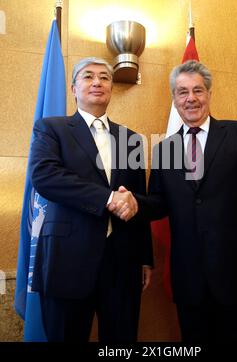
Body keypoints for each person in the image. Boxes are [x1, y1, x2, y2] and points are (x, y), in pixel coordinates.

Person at [133, 60, 237, 343]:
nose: (191, 98)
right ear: (175, 100)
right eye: (182, 92)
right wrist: (133, 202)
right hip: (188, 276)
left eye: (198, 91)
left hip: (235, 270)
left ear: (209, 94)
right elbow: (158, 203)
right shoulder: (165, 149)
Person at [29, 57, 153, 342]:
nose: (97, 82)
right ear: (73, 88)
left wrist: (145, 258)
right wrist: (107, 198)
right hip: (66, 261)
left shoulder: (131, 139)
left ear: (111, 87)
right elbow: (45, 176)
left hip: (122, 263)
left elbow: (137, 201)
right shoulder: (51, 128)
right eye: (88, 77)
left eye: (104, 77)